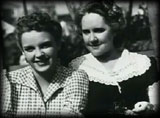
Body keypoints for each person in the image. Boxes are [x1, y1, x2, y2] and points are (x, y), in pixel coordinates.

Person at [69, 1, 159, 116]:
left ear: (114, 29)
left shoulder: (142, 65)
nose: (92, 39)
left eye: (99, 30)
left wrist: (150, 109)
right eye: (86, 32)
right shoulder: (75, 69)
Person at [1, 12, 89, 117]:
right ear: (22, 51)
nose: (38, 54)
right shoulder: (9, 82)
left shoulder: (75, 78)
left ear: (58, 44)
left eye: (45, 45)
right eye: (30, 49)